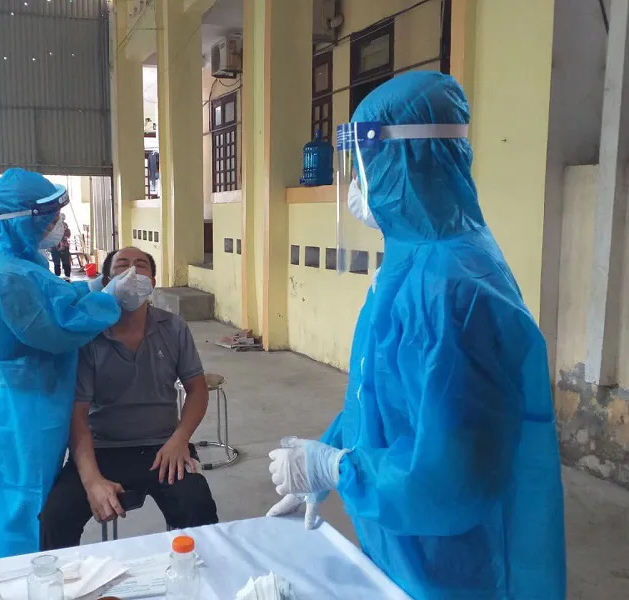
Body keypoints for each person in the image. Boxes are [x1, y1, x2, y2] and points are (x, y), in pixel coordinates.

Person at [267, 72, 566, 599]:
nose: (357, 185)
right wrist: (332, 448)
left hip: (445, 565)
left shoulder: (448, 289)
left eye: (365, 164)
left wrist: (341, 470)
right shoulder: (419, 258)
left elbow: (450, 477)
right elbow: (385, 395)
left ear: (406, 162)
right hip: (402, 545)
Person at [0, 169, 146, 559]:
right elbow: (56, 327)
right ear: (22, 220)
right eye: (49, 218)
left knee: (38, 499)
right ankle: (21, 574)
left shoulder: (16, 260)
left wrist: (93, 287)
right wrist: (109, 299)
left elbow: (50, 293)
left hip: (30, 399)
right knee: (24, 502)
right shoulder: (4, 275)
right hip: (18, 408)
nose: (56, 225)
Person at [39, 246, 219, 550]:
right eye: (122, 265)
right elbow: (77, 414)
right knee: (55, 516)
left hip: (164, 447)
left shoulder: (173, 327)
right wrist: (92, 481)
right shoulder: (88, 335)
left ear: (153, 281)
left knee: (197, 504)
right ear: (106, 281)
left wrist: (180, 439)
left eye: (141, 265)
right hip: (102, 448)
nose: (132, 272)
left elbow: (197, 389)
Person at [49, 213, 72, 280]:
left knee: (66, 264)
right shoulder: (52, 225)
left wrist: (65, 236)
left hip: (64, 247)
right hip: (55, 247)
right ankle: (57, 279)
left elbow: (68, 234)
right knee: (56, 264)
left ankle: (67, 278)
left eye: (63, 219)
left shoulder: (65, 225)